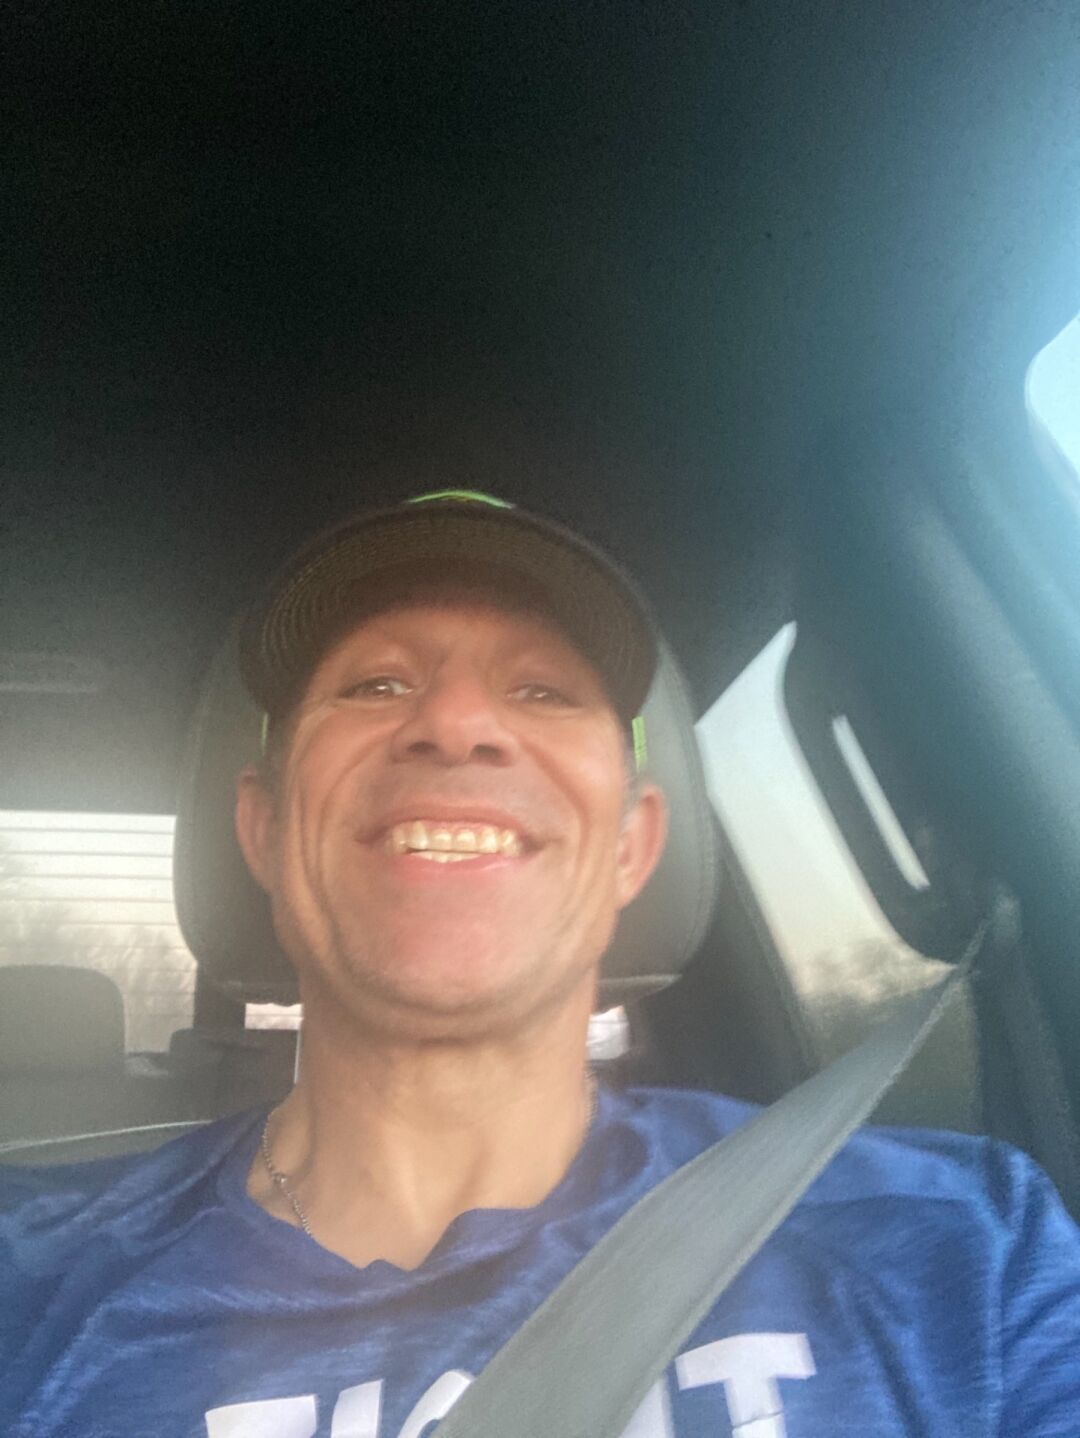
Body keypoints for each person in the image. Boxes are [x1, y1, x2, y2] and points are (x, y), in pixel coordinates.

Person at [2, 491, 1079, 1438]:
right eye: (375, 683)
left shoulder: (953, 1248)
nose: (455, 722)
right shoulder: (32, 1280)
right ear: (266, 830)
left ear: (632, 849)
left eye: (544, 692)